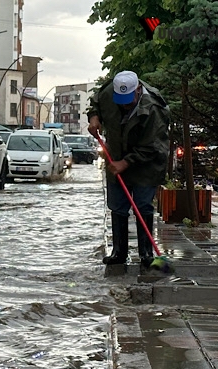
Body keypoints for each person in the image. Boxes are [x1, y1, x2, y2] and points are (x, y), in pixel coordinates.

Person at [87, 70, 170, 270]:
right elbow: (95, 102)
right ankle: (119, 253)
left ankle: (146, 254)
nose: (124, 105)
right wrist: (94, 117)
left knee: (142, 205)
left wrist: (125, 163)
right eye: (120, 100)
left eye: (128, 100)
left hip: (146, 164)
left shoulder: (153, 109)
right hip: (116, 157)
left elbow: (152, 146)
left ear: (138, 90)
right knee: (117, 206)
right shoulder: (109, 93)